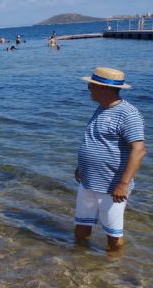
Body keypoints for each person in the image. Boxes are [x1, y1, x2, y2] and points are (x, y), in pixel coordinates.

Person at [75, 67, 146, 255]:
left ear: (104, 88)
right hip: (88, 182)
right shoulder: (102, 108)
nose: (88, 88)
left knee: (113, 236)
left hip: (111, 187)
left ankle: (113, 270)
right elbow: (95, 141)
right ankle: (79, 260)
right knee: (81, 228)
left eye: (92, 84)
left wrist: (123, 184)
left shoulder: (127, 114)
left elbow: (139, 150)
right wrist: (80, 167)